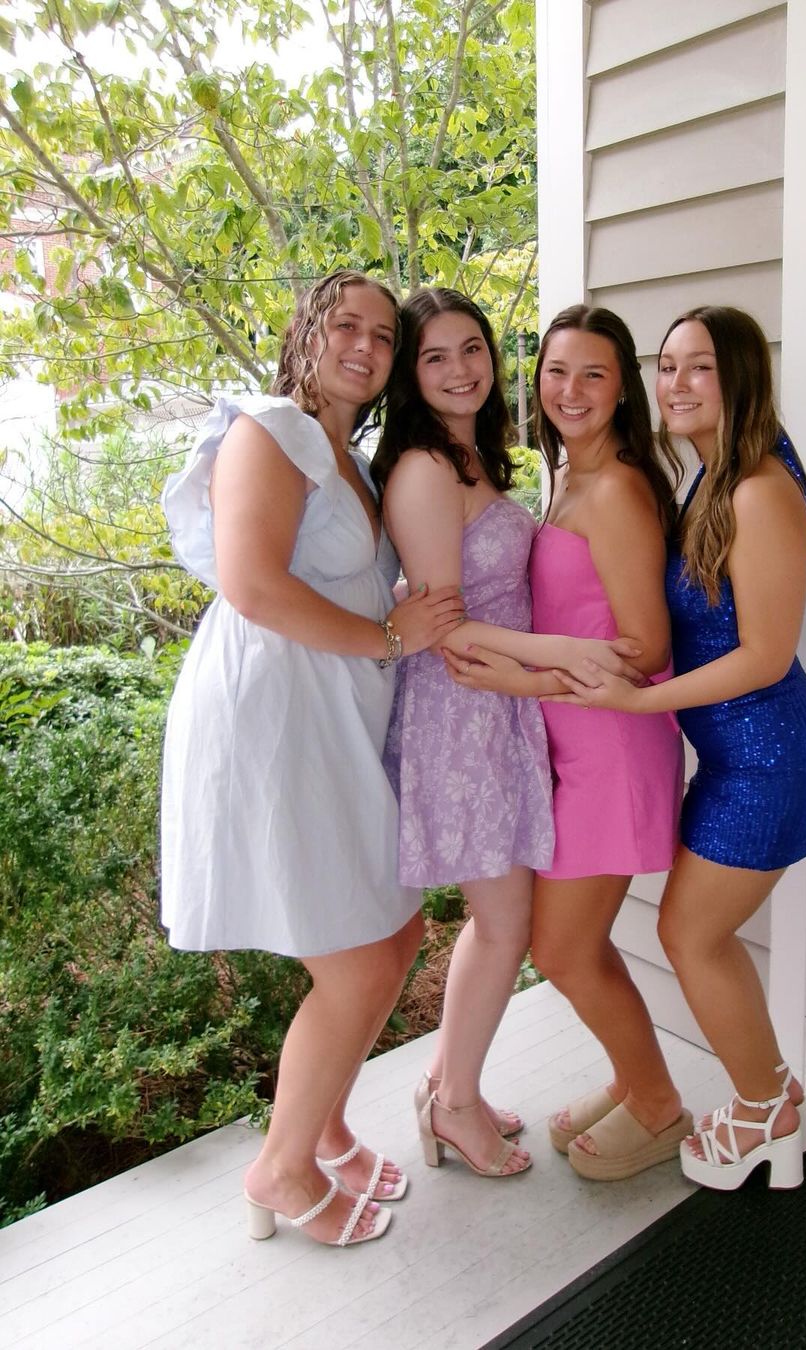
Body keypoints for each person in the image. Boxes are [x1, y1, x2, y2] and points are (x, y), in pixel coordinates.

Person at [159, 270, 465, 1246]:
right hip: (274, 719)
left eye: (383, 335)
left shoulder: (356, 462)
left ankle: (324, 1131)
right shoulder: (269, 431)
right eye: (347, 326)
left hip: (335, 719)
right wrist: (389, 638)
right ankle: (280, 1170)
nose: (365, 347)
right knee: (360, 961)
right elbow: (251, 583)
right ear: (306, 332)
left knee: (393, 933)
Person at [548, 306, 806, 1192]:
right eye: (667, 366)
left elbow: (765, 655)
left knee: (689, 933)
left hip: (775, 758)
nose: (675, 384)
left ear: (740, 377)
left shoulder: (757, 490)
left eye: (699, 367)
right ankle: (770, 1102)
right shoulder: (711, 477)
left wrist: (639, 698)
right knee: (694, 934)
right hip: (736, 758)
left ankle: (767, 1111)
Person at [445, 305, 691, 1181]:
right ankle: (634, 1079)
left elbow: (647, 648)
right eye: (556, 371)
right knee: (575, 943)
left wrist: (517, 677)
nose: (571, 390)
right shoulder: (569, 475)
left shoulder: (617, 489)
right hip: (571, 743)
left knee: (563, 948)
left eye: (593, 374)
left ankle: (658, 1104)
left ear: (623, 387)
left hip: (614, 748)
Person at [371, 287, 555, 1179]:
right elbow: (444, 626)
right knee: (506, 921)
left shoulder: (475, 456)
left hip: (498, 701)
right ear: (411, 374)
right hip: (461, 709)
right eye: (435, 356)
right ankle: (452, 1107)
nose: (459, 369)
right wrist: (565, 659)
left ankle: (449, 1086)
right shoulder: (423, 468)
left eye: (472, 348)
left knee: (498, 917)